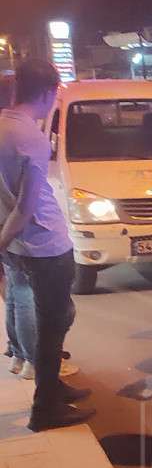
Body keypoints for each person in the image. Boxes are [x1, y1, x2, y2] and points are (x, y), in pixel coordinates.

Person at [0, 59, 93, 430]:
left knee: (50, 318)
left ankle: (52, 387)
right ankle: (45, 409)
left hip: (20, 246)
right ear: (48, 91)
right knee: (55, 323)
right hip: (45, 244)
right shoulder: (30, 137)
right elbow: (27, 205)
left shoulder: (2, 125)